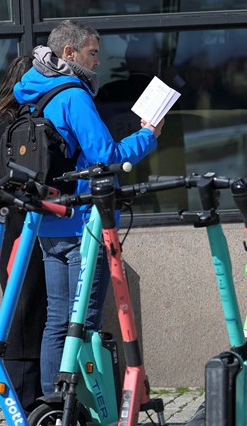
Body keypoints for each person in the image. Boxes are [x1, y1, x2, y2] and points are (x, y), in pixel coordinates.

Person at [12, 20, 162, 395]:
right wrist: (147, 136)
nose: (98, 62)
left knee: (57, 322)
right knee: (84, 322)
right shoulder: (74, 95)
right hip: (82, 225)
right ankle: (81, 407)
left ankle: (51, 403)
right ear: (69, 53)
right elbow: (104, 157)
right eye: (93, 53)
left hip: (48, 222)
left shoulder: (32, 90)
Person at [0, 55, 43, 411]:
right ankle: (25, 398)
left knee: (21, 308)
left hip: (5, 230)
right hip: (19, 228)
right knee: (25, 311)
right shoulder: (15, 123)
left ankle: (22, 394)